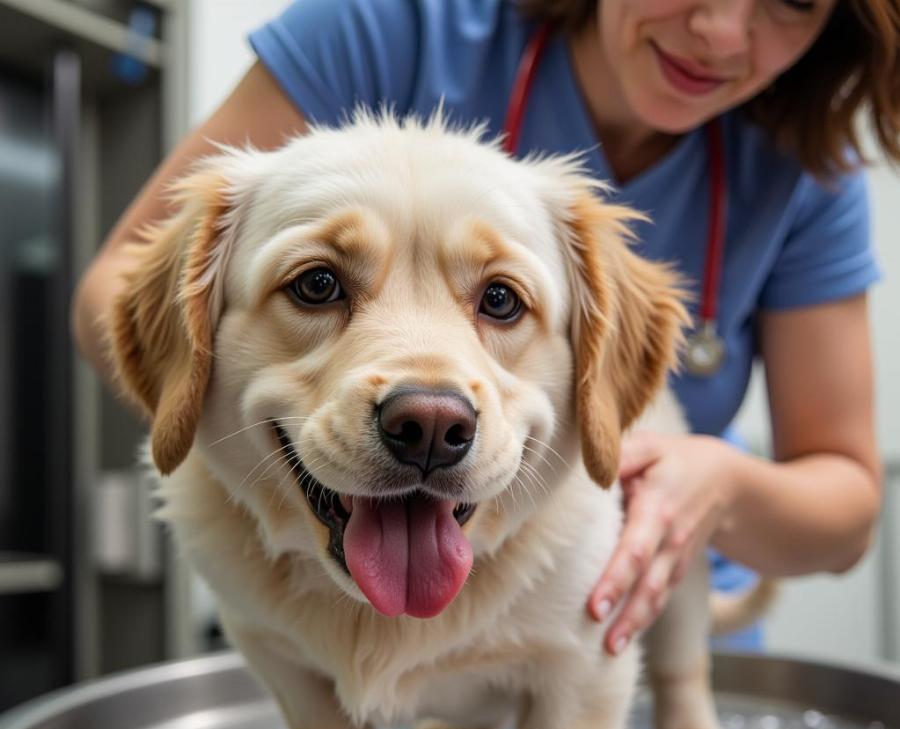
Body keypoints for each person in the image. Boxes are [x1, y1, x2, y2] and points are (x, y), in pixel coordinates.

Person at [73, 0, 898, 655]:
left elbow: (846, 502)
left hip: (623, 610)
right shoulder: (381, 25)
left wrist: (720, 488)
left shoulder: (806, 173)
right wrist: (268, 446)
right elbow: (117, 291)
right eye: (322, 283)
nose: (721, 30)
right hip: (317, 605)